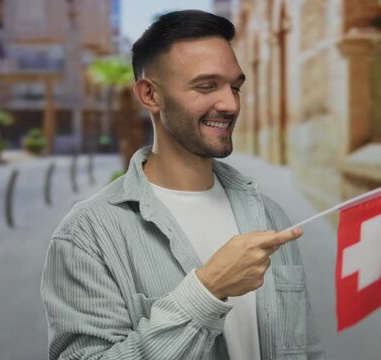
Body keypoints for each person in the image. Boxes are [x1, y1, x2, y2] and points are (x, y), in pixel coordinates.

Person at [41, 10, 325, 360]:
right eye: (206, 86)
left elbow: (307, 348)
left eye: (234, 86)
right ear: (150, 96)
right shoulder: (87, 236)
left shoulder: (270, 215)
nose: (230, 104)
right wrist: (207, 290)